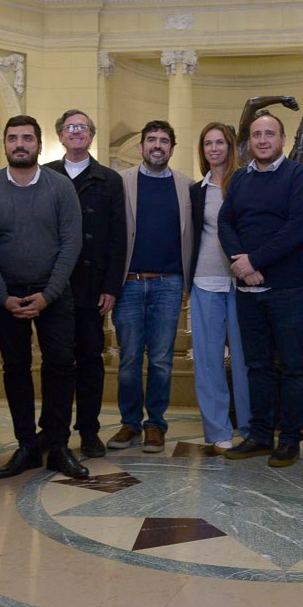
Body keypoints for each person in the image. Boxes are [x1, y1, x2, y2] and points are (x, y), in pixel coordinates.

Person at [0, 115, 88, 480]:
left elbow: (71, 244)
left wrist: (48, 294)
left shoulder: (60, 187)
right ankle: (26, 445)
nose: (20, 144)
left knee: (60, 365)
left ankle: (56, 444)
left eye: (27, 138)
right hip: (7, 295)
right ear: (5, 144)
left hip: (53, 294)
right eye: (13, 138)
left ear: (40, 145)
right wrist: (1, 295)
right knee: (15, 369)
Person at [219, 113, 303, 468]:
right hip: (248, 290)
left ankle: (290, 438)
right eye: (257, 134)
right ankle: (260, 434)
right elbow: (225, 222)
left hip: (288, 288)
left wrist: (255, 261)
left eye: (269, 134)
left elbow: (298, 228)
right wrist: (239, 262)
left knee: (292, 365)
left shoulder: (300, 176)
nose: (262, 140)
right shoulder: (241, 179)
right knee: (256, 365)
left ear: (282, 138)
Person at [45, 111, 127, 458]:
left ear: (91, 136)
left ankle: (89, 431)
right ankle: (54, 434)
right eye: (69, 128)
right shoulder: (45, 175)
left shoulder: (109, 179)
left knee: (91, 360)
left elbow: (117, 237)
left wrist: (111, 286)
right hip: (52, 285)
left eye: (82, 128)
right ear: (61, 136)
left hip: (93, 285)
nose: (76, 133)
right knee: (56, 362)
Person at [108, 121, 193, 453]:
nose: (158, 145)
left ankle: (155, 425)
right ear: (142, 146)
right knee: (128, 358)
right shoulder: (121, 183)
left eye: (164, 141)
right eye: (152, 140)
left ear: (172, 147)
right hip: (129, 284)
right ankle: (129, 424)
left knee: (160, 359)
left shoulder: (186, 187)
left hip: (169, 285)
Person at [189, 122, 250, 453]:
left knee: (245, 358)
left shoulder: (244, 184)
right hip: (204, 279)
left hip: (242, 281)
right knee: (209, 361)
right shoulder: (196, 190)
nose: (214, 148)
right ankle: (217, 431)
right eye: (208, 143)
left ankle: (252, 426)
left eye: (219, 142)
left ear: (230, 147)